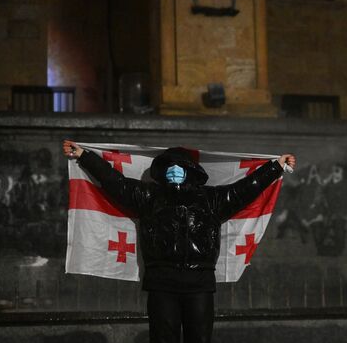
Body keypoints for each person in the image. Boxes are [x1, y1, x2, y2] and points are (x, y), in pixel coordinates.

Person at [62, 140, 295, 343]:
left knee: (200, 339)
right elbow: (116, 183)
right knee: (163, 339)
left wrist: (275, 167)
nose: (173, 171)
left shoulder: (211, 199)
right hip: (162, 283)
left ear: (190, 171)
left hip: (199, 283)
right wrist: (84, 155)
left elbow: (245, 189)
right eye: (168, 167)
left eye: (179, 167)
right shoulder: (149, 197)